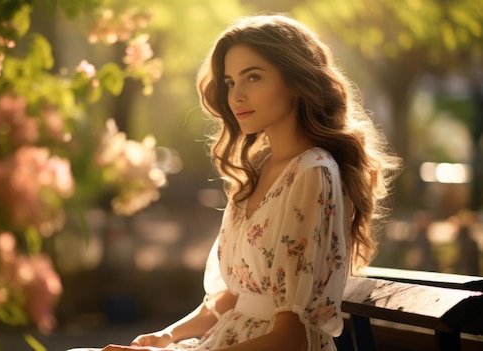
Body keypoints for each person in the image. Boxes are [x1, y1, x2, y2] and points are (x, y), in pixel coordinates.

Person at [67, 13, 400, 351]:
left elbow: (291, 339)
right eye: (229, 83)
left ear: (296, 82)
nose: (237, 95)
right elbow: (235, 296)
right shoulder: (260, 168)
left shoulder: (312, 172)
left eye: (253, 77)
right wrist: (167, 336)